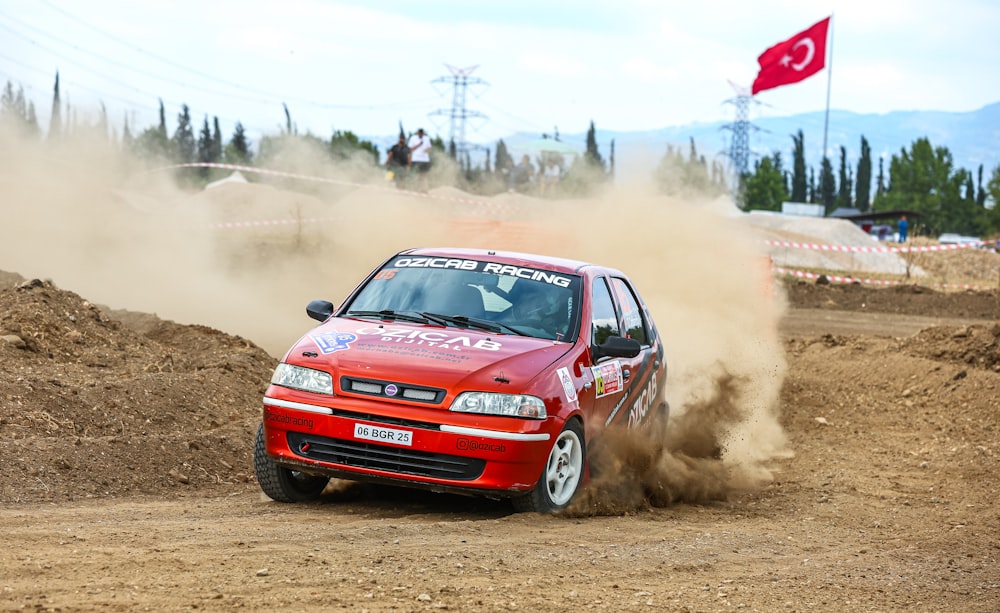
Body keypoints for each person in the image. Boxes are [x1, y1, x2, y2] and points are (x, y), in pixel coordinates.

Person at [408, 128, 432, 192]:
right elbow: (410, 148)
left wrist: (426, 150)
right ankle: (414, 188)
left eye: (422, 133)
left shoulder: (427, 138)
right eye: (419, 133)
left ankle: (424, 189)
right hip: (416, 159)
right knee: (416, 175)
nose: (421, 134)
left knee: (424, 175)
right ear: (418, 133)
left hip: (425, 160)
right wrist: (419, 145)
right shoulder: (413, 138)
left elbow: (430, 148)